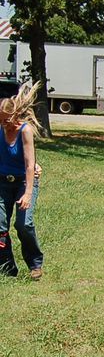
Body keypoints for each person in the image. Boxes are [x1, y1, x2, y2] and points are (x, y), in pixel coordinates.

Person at [0, 83, 44, 279]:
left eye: (6, 119)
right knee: (0, 227)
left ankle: (35, 264)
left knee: (23, 224)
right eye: (0, 120)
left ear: (15, 114)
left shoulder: (25, 131)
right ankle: (8, 269)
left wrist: (27, 193)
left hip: (24, 183)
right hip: (2, 183)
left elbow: (29, 164)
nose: (3, 124)